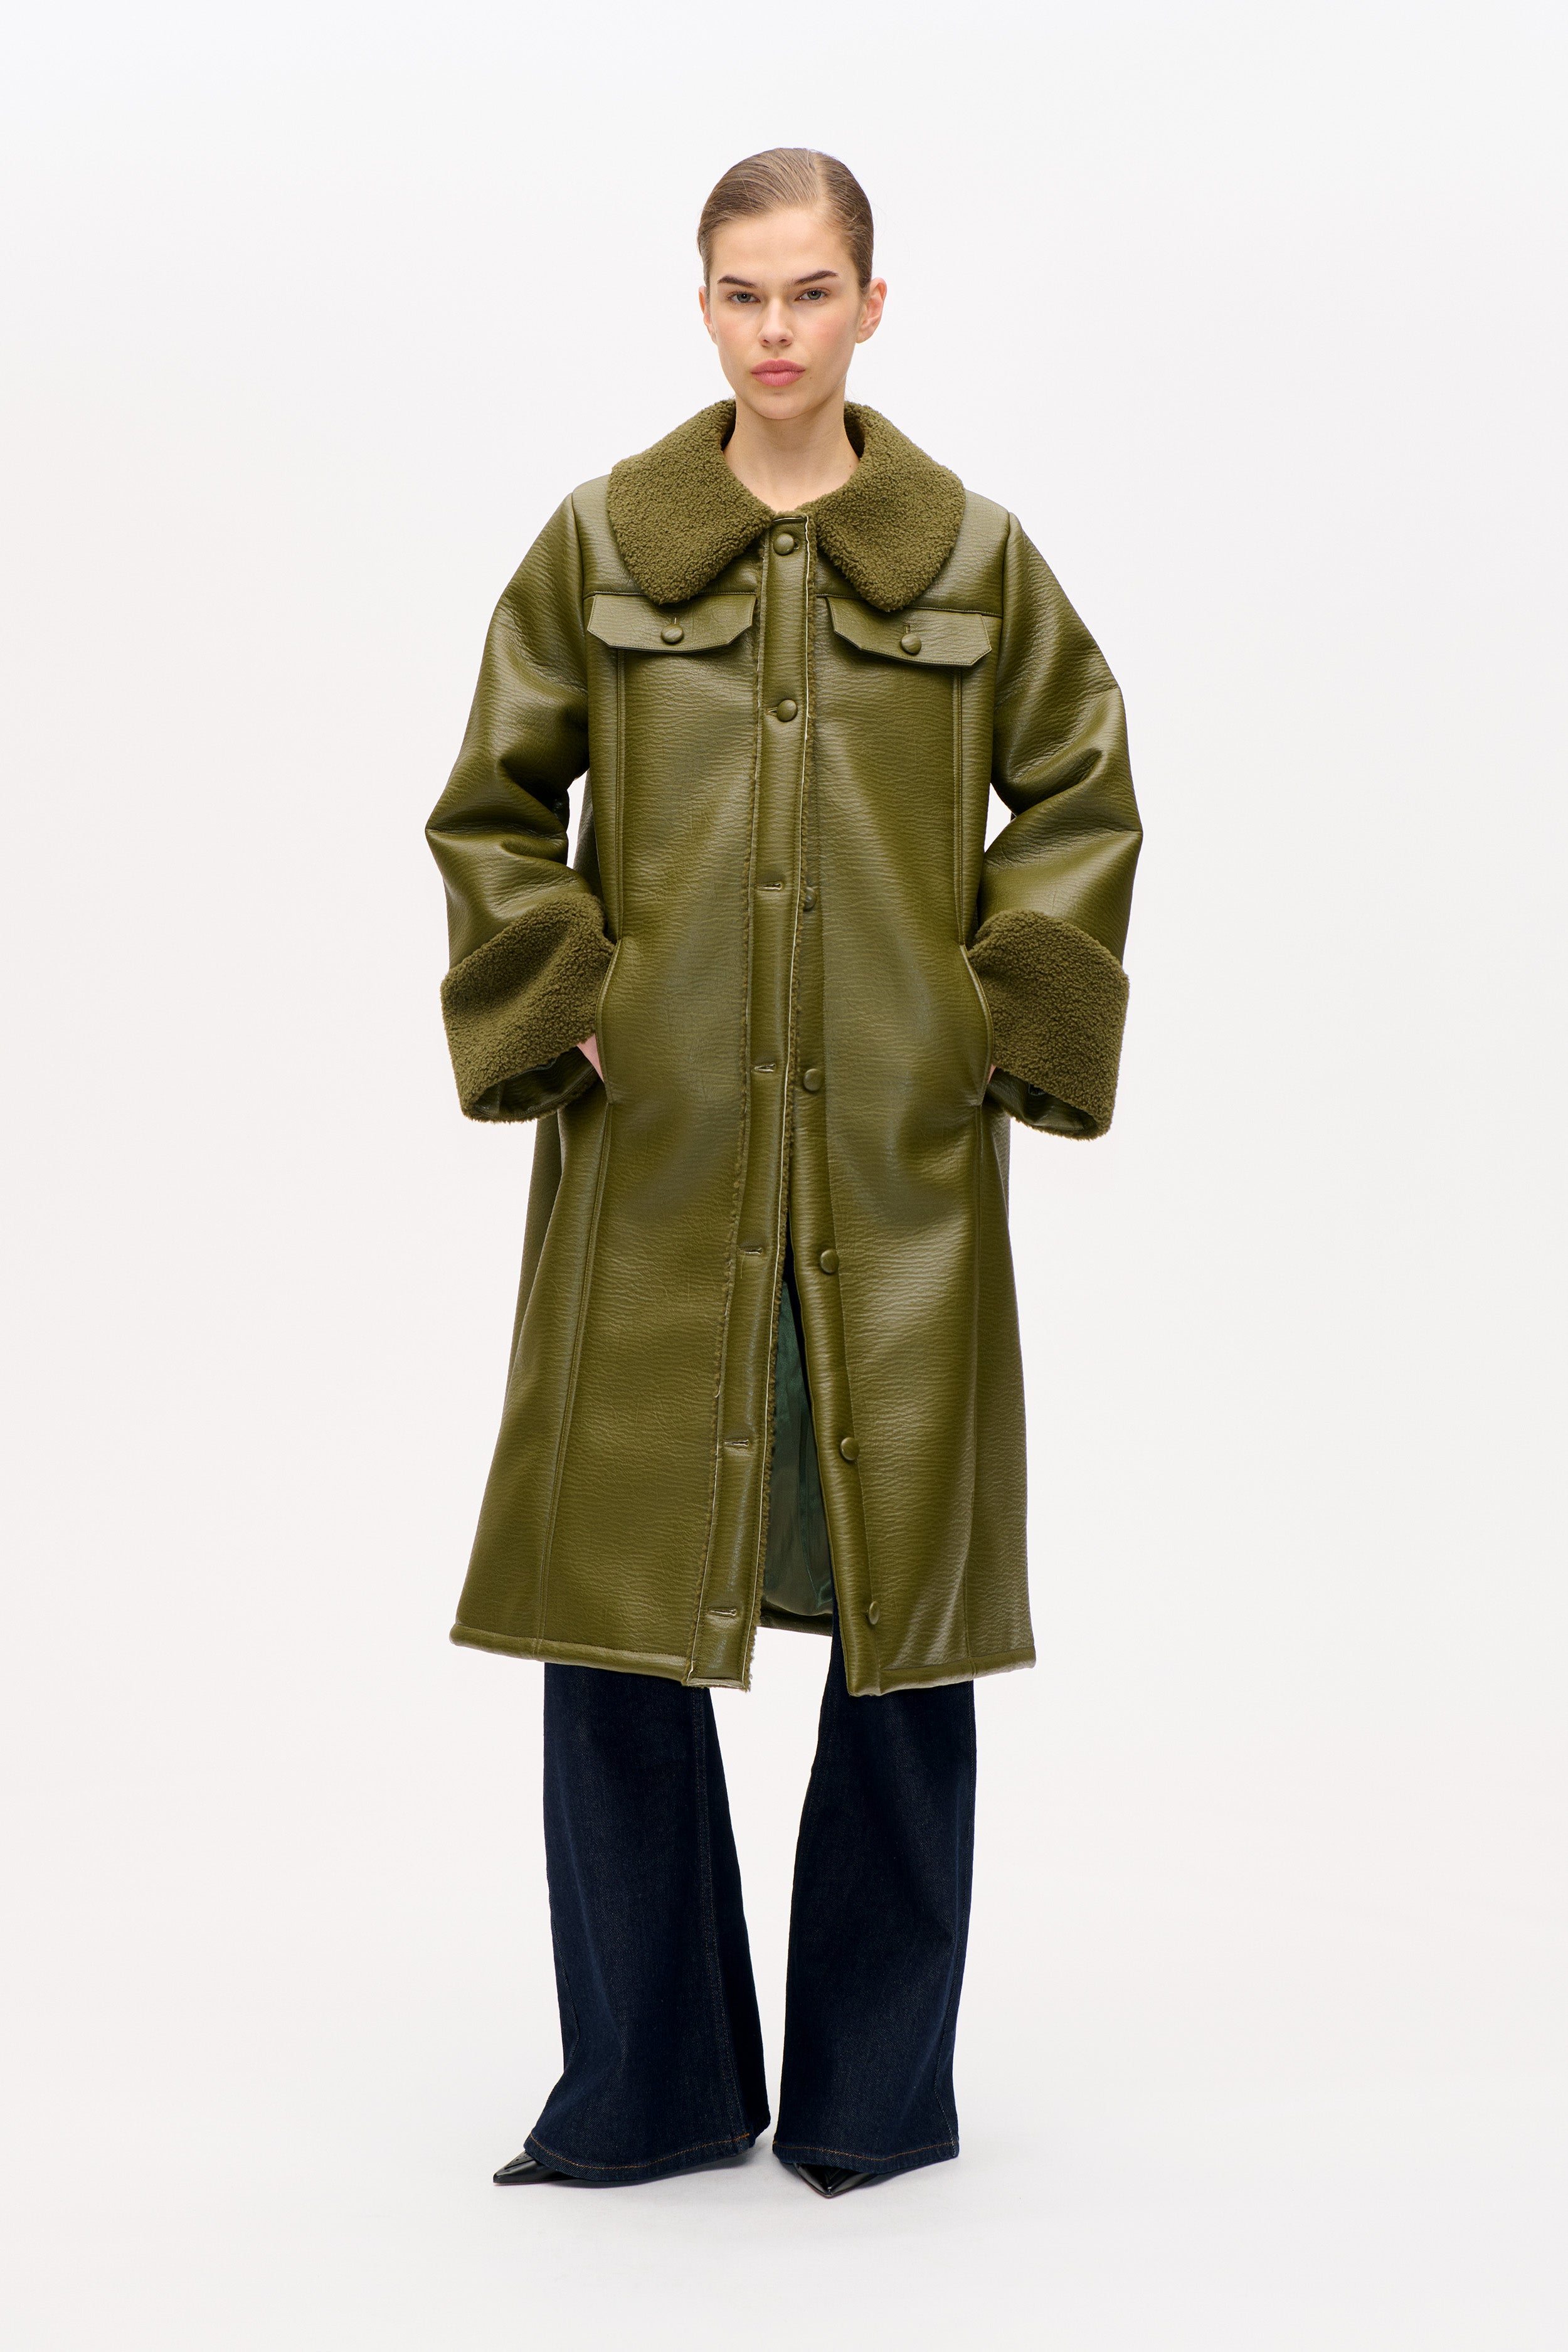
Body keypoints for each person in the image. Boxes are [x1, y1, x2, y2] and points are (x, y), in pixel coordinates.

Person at [426, 147, 1141, 2197]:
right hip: (651, 1168)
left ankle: (867, 2100)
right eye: (741, 294)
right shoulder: (603, 543)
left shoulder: (974, 560)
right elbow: (491, 805)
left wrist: (997, 1017)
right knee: (611, 1615)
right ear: (703, 306)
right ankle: (645, 2090)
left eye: (809, 291)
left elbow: (1081, 792)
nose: (774, 330)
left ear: (870, 305)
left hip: (898, 1178)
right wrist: (559, 985)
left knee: (904, 1635)